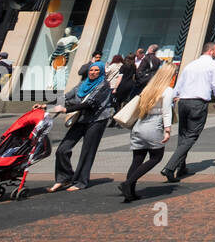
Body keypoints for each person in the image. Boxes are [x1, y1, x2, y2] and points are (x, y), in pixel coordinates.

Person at [46, 60, 115, 192]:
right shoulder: (83, 84)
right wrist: (46, 106)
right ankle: (64, 177)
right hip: (81, 119)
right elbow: (66, 97)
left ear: (101, 72)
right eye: (91, 70)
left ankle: (81, 181)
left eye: (96, 70)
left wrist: (66, 110)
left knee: (87, 152)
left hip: (97, 120)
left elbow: (90, 103)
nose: (93, 73)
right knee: (62, 149)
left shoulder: (103, 85)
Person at [161, 41, 215, 183]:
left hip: (183, 101)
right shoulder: (213, 65)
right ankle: (170, 167)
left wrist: (173, 99)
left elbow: (179, 85)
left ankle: (180, 166)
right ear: (211, 51)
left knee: (183, 135)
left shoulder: (190, 65)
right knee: (191, 135)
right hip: (198, 102)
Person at [120, 63, 177, 201]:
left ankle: (130, 191)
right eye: (174, 74)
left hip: (139, 125)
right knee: (156, 157)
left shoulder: (148, 88)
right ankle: (127, 184)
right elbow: (166, 112)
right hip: (154, 126)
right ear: (170, 76)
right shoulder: (168, 90)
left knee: (137, 159)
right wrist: (168, 130)